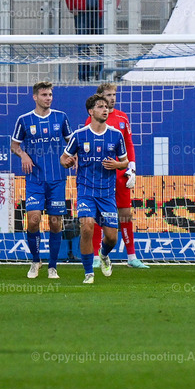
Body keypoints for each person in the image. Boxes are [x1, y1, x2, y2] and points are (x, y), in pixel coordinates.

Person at [60, 94, 128, 284]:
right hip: (86, 191)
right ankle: (88, 272)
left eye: (106, 107)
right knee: (87, 227)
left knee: (112, 238)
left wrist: (117, 164)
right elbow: (64, 158)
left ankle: (104, 254)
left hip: (107, 193)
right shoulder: (79, 135)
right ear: (91, 111)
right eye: (100, 106)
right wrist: (67, 162)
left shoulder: (116, 135)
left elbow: (125, 162)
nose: (105, 109)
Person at [11, 82, 72, 279]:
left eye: (50, 94)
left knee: (55, 223)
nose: (48, 98)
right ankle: (36, 260)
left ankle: (52, 266)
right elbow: (14, 145)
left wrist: (72, 157)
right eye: (44, 95)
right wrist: (23, 155)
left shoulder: (61, 117)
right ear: (35, 97)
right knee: (33, 220)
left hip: (57, 179)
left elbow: (72, 143)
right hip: (35, 179)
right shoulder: (24, 120)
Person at [85, 83, 148, 269]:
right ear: (100, 97)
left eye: (114, 94)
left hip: (120, 172)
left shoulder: (122, 117)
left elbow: (129, 143)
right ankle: (96, 256)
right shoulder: (92, 119)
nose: (112, 98)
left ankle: (131, 257)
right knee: (98, 213)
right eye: (108, 95)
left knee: (125, 213)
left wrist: (132, 168)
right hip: (101, 174)